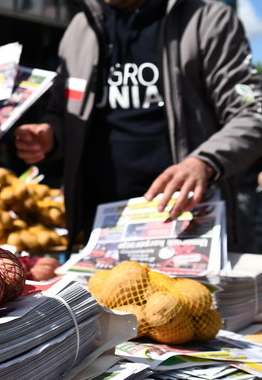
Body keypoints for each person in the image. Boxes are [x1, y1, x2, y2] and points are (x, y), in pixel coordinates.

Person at [14, 0, 262, 253]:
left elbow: (252, 111)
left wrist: (205, 162)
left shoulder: (207, 18)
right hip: (103, 229)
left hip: (185, 224)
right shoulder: (81, 27)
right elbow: (62, 111)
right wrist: (50, 136)